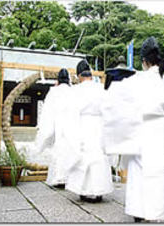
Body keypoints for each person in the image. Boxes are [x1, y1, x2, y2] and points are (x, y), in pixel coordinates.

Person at [124, 37, 164, 222]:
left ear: (144, 61)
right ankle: (156, 211)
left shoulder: (136, 80)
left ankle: (138, 210)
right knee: (157, 171)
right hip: (159, 129)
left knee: (138, 170)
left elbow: (127, 109)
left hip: (140, 128)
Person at [65, 60, 113, 203]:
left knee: (82, 156)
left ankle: (82, 190)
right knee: (99, 156)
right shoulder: (101, 89)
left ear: (79, 75)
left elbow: (71, 112)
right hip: (99, 125)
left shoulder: (75, 90)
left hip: (82, 124)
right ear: (91, 74)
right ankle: (99, 191)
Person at [35, 68, 72, 188]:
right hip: (72, 128)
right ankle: (70, 178)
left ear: (58, 80)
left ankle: (59, 178)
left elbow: (47, 114)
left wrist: (45, 133)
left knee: (59, 152)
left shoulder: (54, 92)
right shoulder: (74, 92)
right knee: (71, 152)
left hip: (58, 126)